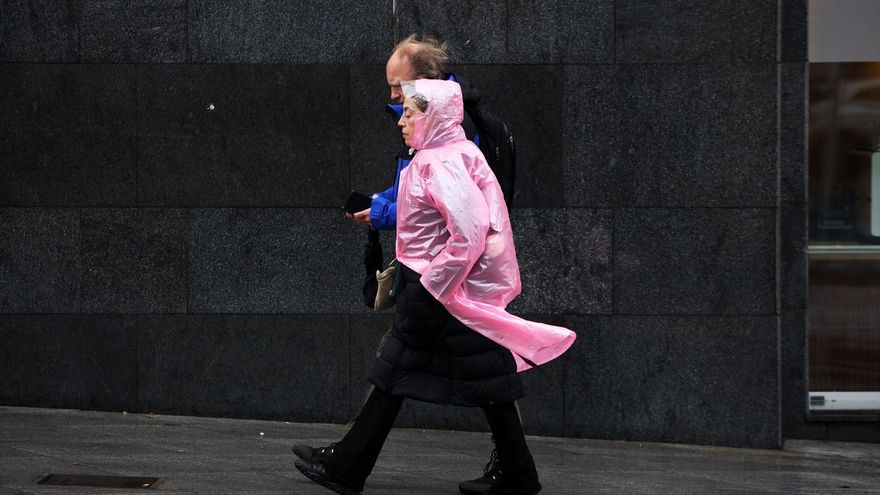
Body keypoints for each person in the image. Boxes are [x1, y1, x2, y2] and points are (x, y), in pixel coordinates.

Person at [294, 79, 575, 495]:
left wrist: (433, 284)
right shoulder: (447, 154)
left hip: (434, 290)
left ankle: (347, 466)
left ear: (433, 116)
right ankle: (515, 473)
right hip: (441, 289)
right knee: (463, 373)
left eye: (409, 113)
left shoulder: (439, 162)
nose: (401, 121)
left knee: (403, 371)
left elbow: (470, 232)